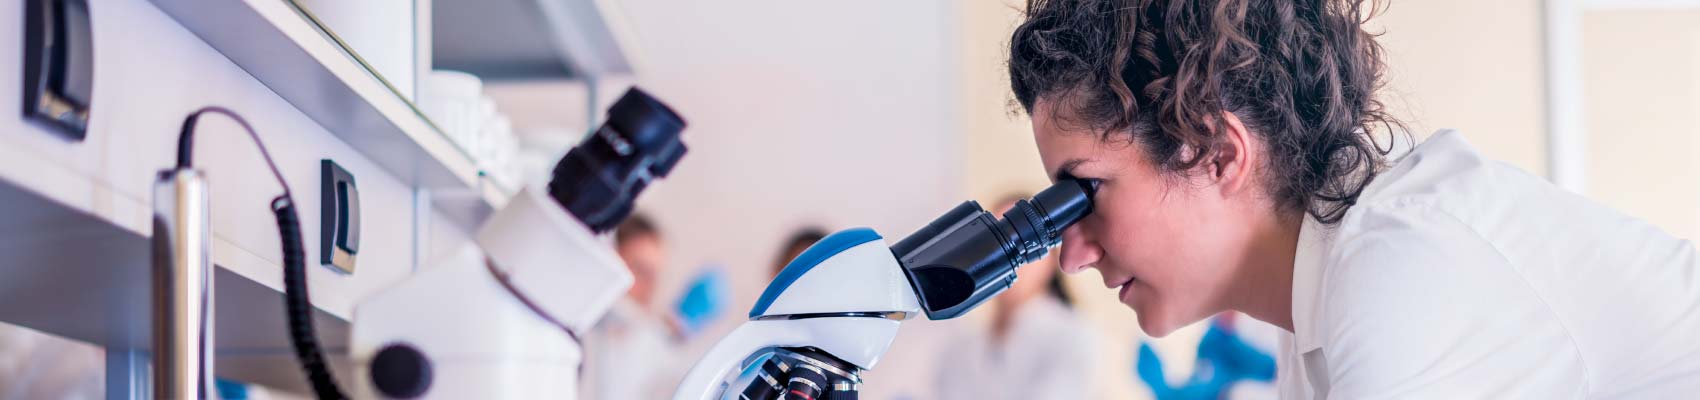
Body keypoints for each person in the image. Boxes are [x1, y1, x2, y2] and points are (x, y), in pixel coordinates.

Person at [1007, 0, 1700, 397]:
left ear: (1218, 153)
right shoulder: (1315, 304)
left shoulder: (1404, 264)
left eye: (1084, 193)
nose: (1073, 253)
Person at [933, 193, 1098, 400]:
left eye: (1021, 242)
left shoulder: (1070, 338)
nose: (1008, 258)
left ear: (1050, 258)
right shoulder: (960, 349)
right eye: (993, 244)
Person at [580, 213, 684, 400]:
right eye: (640, 270)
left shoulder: (651, 342)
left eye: (654, 276)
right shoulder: (576, 321)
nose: (649, 289)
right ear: (611, 257)